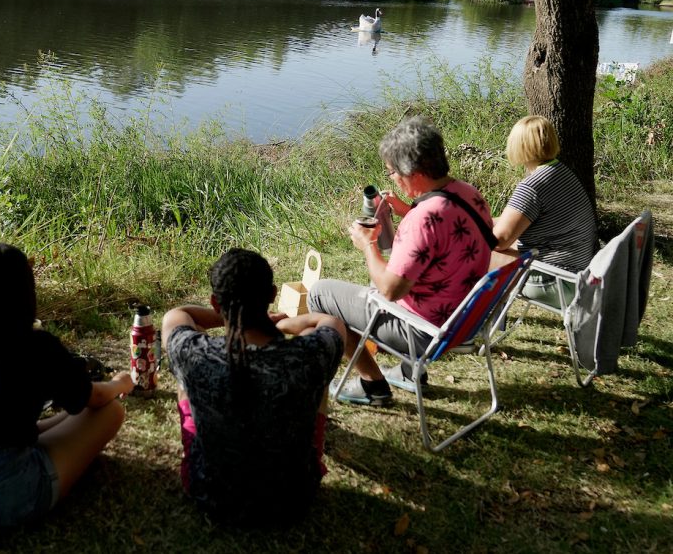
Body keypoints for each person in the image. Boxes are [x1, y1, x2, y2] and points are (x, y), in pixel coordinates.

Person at [0, 242, 134, 528]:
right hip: (4, 496)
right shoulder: (36, 347)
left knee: (59, 417)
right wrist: (119, 383)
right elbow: (92, 398)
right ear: (24, 291)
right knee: (110, 412)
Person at [281, 116, 494, 406]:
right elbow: (442, 238)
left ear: (413, 172)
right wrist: (409, 209)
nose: (391, 178)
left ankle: (373, 384)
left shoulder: (425, 219)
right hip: (463, 319)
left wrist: (368, 245)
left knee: (321, 294)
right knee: (371, 281)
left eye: (393, 172)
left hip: (423, 332)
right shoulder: (467, 193)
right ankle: (408, 373)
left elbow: (392, 290)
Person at [162, 248, 344, 522]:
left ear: (214, 302)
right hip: (294, 499)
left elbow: (177, 315)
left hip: (211, 494)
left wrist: (228, 315)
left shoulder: (197, 354)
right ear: (272, 295)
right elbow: (330, 322)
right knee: (315, 352)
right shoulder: (305, 357)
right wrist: (283, 323)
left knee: (185, 368)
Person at [491, 116, 597, 306]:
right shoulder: (561, 172)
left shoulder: (532, 186)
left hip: (557, 282)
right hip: (579, 273)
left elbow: (499, 241)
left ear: (518, 146)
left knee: (477, 253)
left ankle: (470, 319)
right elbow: (514, 221)